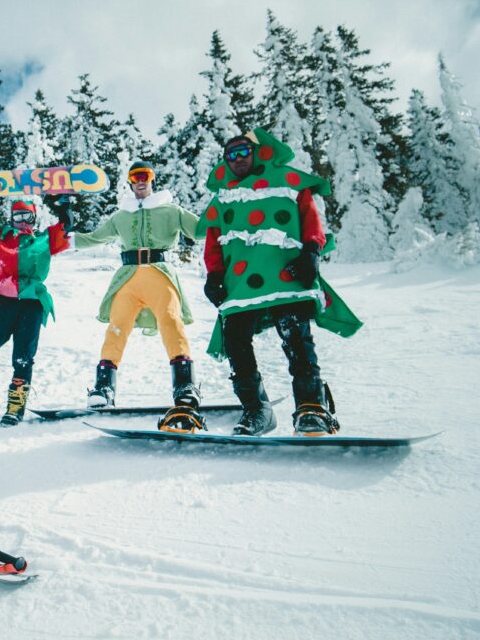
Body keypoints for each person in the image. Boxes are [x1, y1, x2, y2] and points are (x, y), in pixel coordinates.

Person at [199, 128, 362, 436]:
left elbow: (309, 218)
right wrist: (214, 274)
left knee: (297, 340)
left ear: (257, 152)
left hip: (286, 277)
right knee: (235, 342)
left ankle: (312, 409)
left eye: (243, 151)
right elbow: (213, 239)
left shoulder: (288, 182)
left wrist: (311, 250)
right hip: (241, 284)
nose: (237, 158)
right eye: (230, 154)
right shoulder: (223, 198)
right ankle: (257, 411)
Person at [73, 161, 206, 432]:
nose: (141, 180)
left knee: (171, 321)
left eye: (145, 175)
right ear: (130, 182)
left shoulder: (171, 210)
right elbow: (94, 238)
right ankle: (103, 389)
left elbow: (202, 230)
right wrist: (64, 235)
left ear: (152, 179)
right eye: (135, 177)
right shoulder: (120, 216)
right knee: (116, 329)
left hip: (160, 273)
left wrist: (224, 214)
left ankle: (185, 388)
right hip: (127, 277)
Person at [0, 197, 73, 426]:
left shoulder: (44, 239)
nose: (21, 221)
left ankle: (15, 408)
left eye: (26, 216)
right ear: (11, 218)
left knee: (23, 358)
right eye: (17, 216)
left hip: (32, 303)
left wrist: (63, 208)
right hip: (2, 301)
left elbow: (66, 228)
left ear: (34, 217)